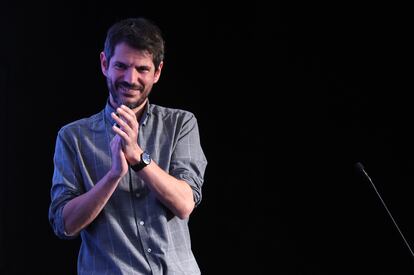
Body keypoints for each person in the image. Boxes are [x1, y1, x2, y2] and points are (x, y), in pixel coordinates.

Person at [48, 17, 207, 275]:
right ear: (104, 64)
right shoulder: (73, 137)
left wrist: (137, 157)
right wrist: (113, 176)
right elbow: (64, 224)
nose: (130, 78)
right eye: (121, 66)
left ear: (157, 72)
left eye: (142, 69)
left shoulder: (181, 124)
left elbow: (184, 203)